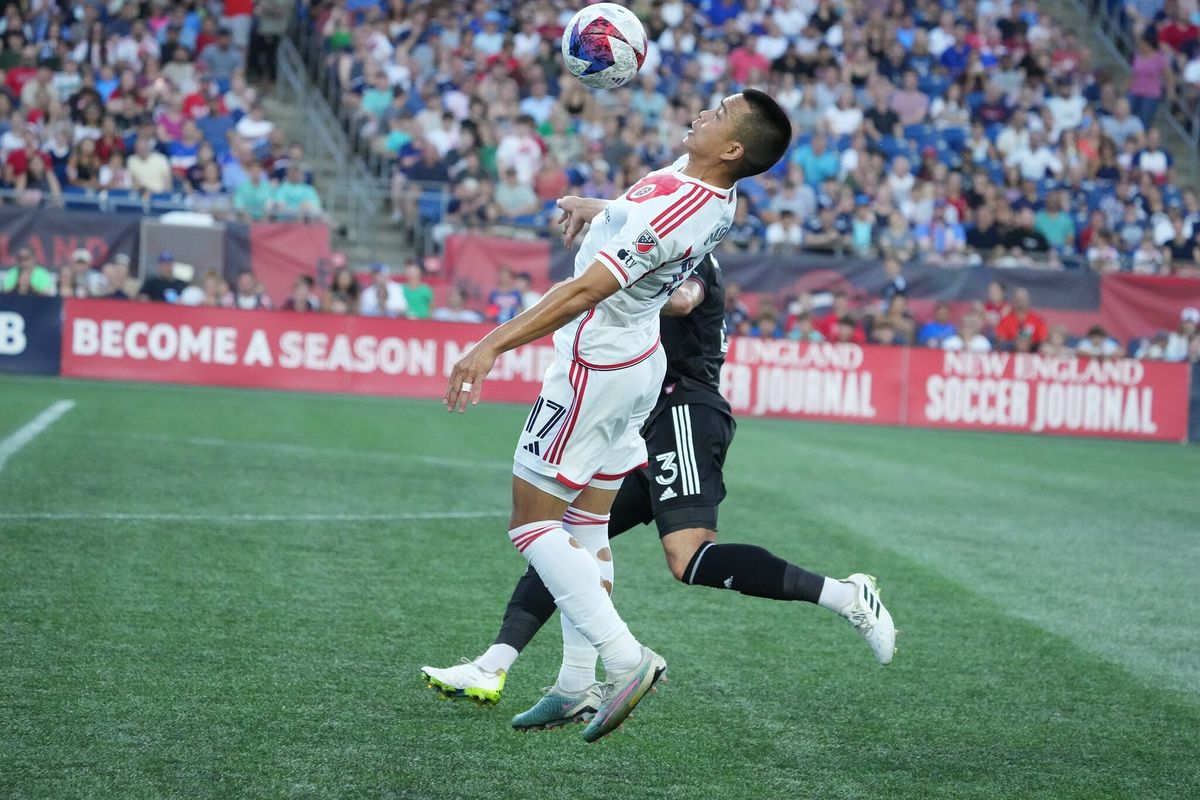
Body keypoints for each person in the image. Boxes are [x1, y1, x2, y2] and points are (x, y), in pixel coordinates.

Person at [429, 91, 833, 743]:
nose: (702, 111)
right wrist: (605, 210)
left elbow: (585, 290)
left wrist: (491, 344)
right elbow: (651, 210)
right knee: (587, 522)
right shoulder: (713, 191)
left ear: (732, 148)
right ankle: (573, 684)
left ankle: (625, 658)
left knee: (532, 526)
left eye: (719, 112)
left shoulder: (683, 208)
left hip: (596, 365)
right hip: (638, 361)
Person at [422, 255, 896, 729]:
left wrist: (617, 291)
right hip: (640, 415)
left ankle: (846, 595)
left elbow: (686, 297)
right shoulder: (655, 228)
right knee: (568, 532)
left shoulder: (692, 241)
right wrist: (587, 210)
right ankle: (521, 672)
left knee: (687, 558)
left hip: (683, 410)